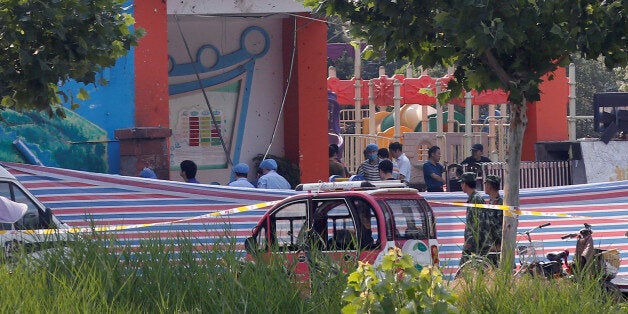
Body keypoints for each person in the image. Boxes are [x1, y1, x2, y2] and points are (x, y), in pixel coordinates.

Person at [459, 172, 489, 265]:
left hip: (476, 243)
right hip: (474, 242)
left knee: (464, 267)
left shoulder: (476, 199)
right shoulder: (473, 198)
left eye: (462, 183)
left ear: (465, 184)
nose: (461, 185)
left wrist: (470, 241)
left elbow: (478, 223)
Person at [483, 174, 504, 264]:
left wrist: (498, 244)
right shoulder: (491, 202)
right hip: (491, 245)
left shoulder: (500, 203)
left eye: (486, 184)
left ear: (489, 185)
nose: (485, 186)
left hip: (498, 246)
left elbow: (500, 225)